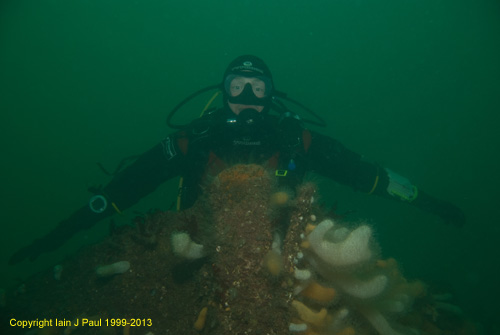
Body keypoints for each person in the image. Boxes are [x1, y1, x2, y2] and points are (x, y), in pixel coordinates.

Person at [9, 55, 465, 265]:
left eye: (258, 89)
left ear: (272, 97)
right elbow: (119, 192)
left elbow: (372, 176)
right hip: (193, 247)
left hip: (278, 253)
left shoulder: (298, 140)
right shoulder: (193, 141)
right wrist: (54, 238)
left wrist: (429, 202)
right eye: (237, 87)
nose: (247, 98)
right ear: (222, 92)